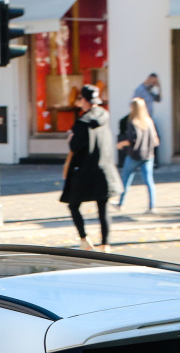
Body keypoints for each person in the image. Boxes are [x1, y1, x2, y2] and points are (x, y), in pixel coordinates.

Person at [61, 84, 121, 251]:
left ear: (84, 101)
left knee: (73, 204)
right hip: (104, 170)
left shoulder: (81, 123)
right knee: (103, 208)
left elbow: (75, 147)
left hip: (85, 172)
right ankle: (105, 244)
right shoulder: (105, 116)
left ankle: (84, 239)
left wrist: (71, 138)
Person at [116, 97, 158, 213]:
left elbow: (132, 140)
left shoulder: (133, 122)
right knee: (149, 181)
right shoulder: (149, 121)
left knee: (125, 179)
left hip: (134, 155)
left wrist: (121, 144)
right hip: (148, 155)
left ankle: (120, 203)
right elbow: (155, 140)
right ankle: (152, 206)